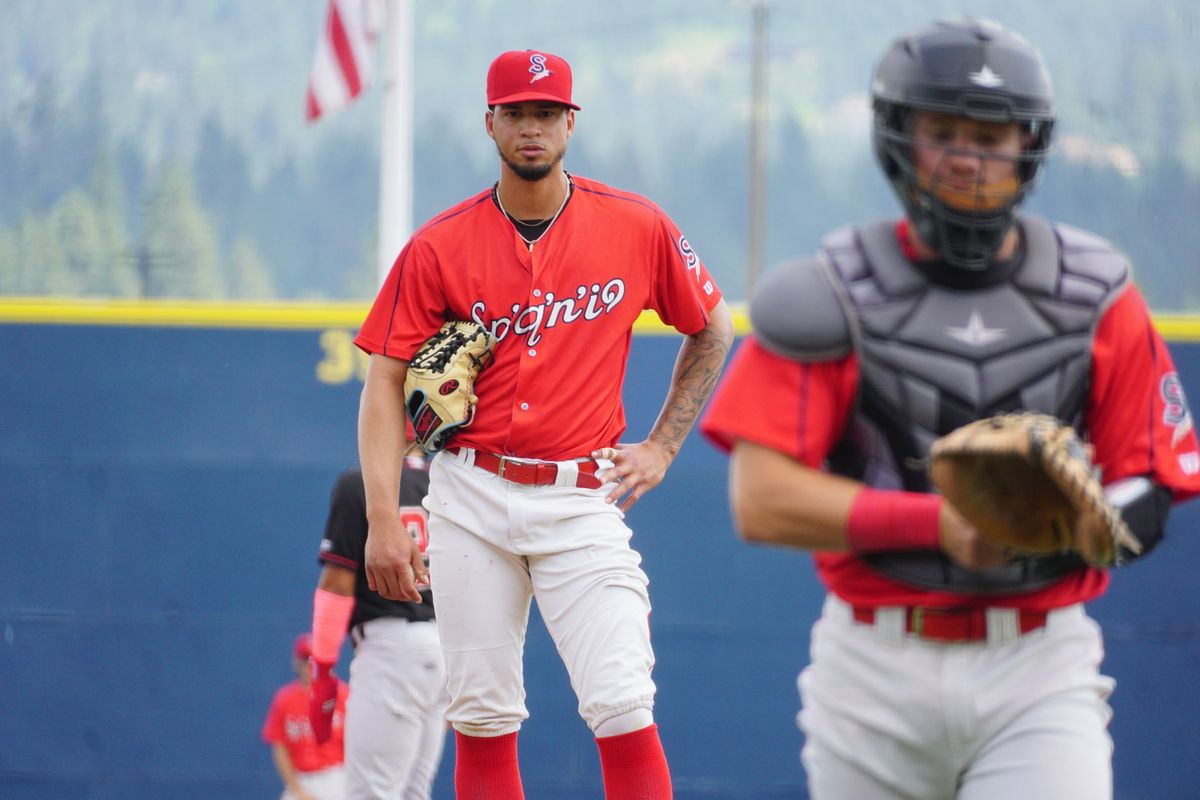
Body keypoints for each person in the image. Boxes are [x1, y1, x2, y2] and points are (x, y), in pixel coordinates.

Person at [700, 17, 1200, 800]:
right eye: (943, 133)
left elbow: (1153, 483)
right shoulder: (834, 290)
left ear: (1027, 146)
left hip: (1039, 666)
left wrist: (1090, 526)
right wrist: (940, 525)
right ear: (899, 138)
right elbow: (762, 501)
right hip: (874, 669)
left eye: (992, 138)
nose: (969, 159)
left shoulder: (1097, 294)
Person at [353, 48, 733, 800]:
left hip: (580, 496)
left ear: (570, 122)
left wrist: (662, 446)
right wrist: (380, 519)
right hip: (468, 495)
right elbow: (384, 383)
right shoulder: (438, 244)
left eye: (547, 113)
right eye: (517, 113)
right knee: (483, 716)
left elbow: (713, 328)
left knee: (623, 701)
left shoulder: (635, 223)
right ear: (490, 121)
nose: (533, 128)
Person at [308, 456, 448, 800]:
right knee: (413, 793)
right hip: (444, 651)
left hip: (392, 651)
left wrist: (322, 672)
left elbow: (336, 586)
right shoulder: (447, 483)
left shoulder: (359, 483)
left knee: (371, 794)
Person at [262, 633, 349, 800]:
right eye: (305, 661)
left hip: (337, 776)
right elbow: (279, 748)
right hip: (301, 778)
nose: (309, 667)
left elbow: (357, 745)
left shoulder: (344, 696)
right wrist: (297, 789)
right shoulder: (284, 699)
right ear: (297, 662)